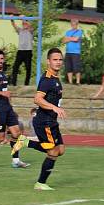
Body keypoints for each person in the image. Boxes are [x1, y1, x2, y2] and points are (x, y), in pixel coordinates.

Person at [11, 48, 66, 190]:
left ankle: (25, 142)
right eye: (55, 59)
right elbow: (37, 99)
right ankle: (40, 183)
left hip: (51, 121)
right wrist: (54, 108)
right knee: (52, 152)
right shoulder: (47, 80)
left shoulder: (55, 78)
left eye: (60, 59)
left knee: (60, 150)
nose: (58, 62)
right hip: (44, 121)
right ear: (48, 61)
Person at [10, 19, 34, 86]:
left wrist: (23, 19)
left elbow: (30, 25)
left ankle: (26, 84)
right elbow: (14, 25)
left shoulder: (30, 30)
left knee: (28, 68)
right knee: (15, 67)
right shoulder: (20, 30)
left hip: (28, 51)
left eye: (25, 23)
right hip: (20, 51)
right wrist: (12, 19)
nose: (24, 25)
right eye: (23, 24)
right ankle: (13, 84)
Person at [62, 20, 83, 84]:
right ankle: (70, 82)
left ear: (77, 25)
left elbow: (76, 39)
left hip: (76, 52)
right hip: (68, 52)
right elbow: (63, 41)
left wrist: (68, 38)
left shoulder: (79, 31)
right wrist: (71, 38)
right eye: (72, 24)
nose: (73, 25)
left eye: (74, 24)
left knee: (76, 67)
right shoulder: (68, 32)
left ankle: (77, 82)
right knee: (68, 67)